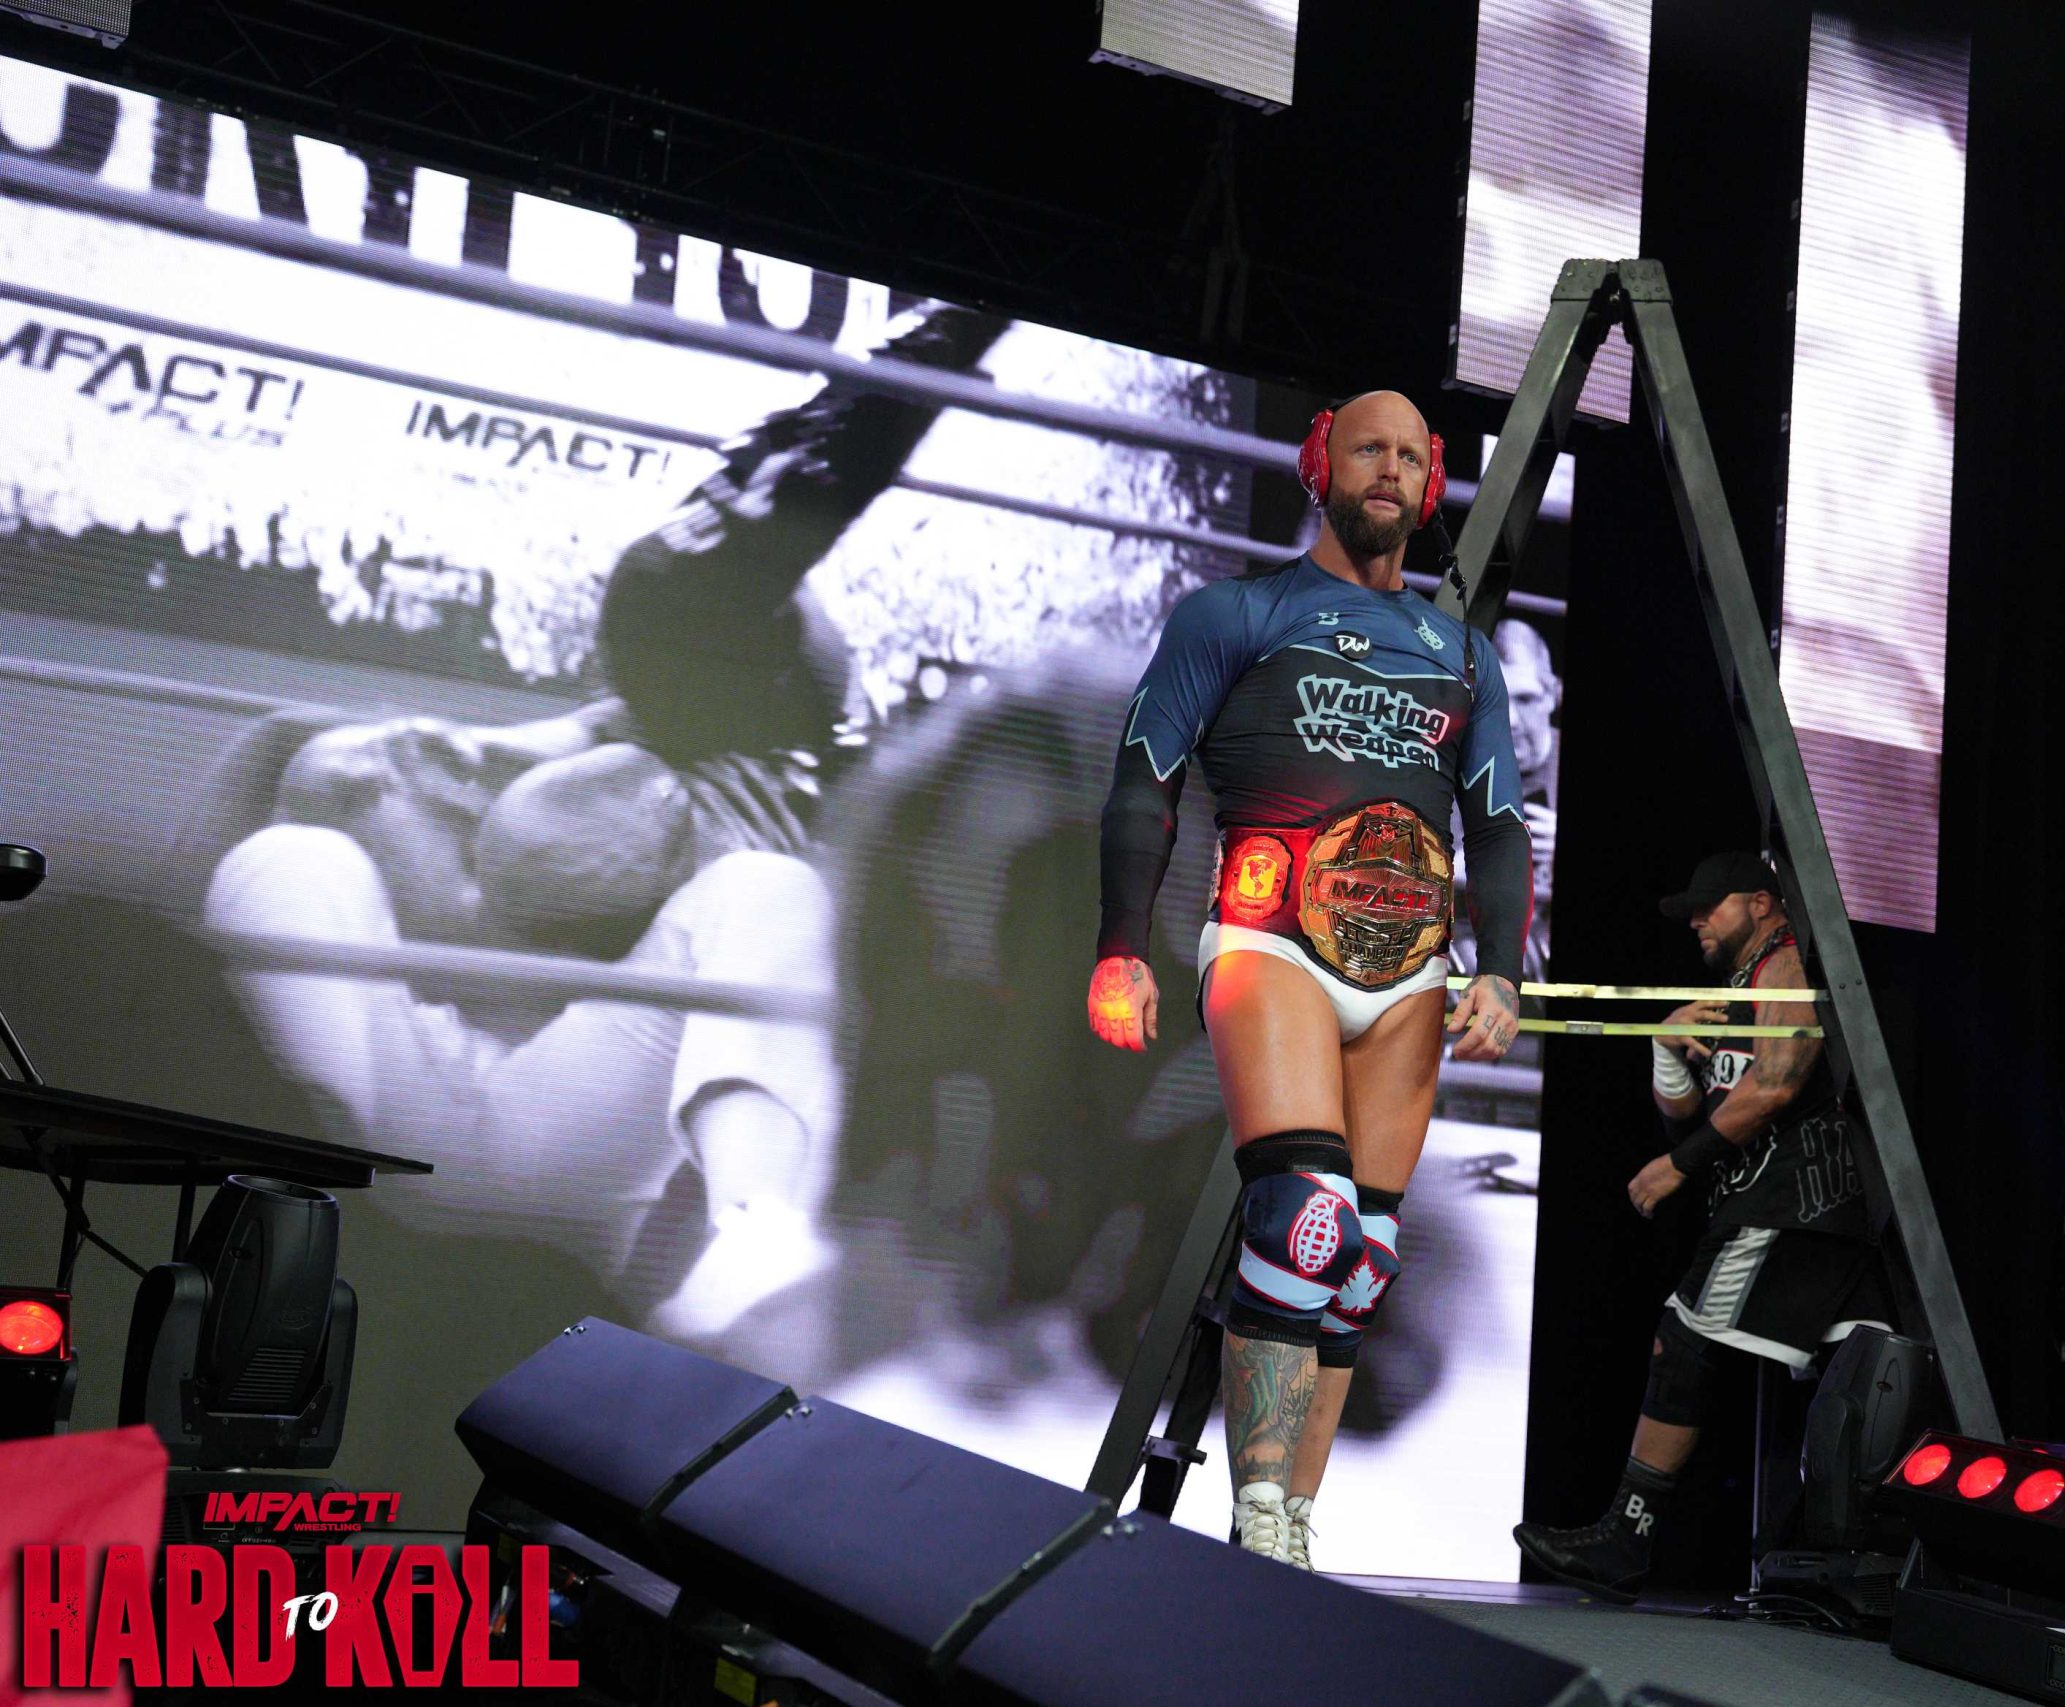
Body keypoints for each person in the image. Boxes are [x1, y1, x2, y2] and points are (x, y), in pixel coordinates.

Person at [197, 308, 1003, 1349]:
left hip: (581, 1136)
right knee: (286, 857)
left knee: (771, 890)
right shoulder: (391, 789)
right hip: (411, 1111)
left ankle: (759, 1247)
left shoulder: (748, 809)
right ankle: (304, 1204)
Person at [1086, 390, 1532, 1567]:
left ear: (1430, 484)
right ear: (1318, 463)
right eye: (1367, 448)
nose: (1388, 469)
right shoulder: (1234, 615)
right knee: (1304, 1223)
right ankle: (1253, 1513)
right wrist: (1121, 946)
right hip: (1272, 941)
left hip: (1411, 973)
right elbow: (1144, 779)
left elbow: (1497, 826)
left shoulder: (1461, 654)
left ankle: (1290, 1523)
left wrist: (1500, 972)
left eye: (1410, 456)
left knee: (1361, 1259)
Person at [1513, 852, 1888, 1601]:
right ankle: (1835, 1557)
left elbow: (1775, 1085)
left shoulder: (1785, 967)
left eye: (1709, 905)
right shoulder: (1735, 991)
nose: (1694, 921)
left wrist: (1677, 1167)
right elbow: (1692, 1113)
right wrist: (1665, 1045)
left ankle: (1627, 1538)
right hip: (1783, 1206)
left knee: (1684, 1342)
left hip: (1789, 1204)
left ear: (1762, 903)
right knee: (1842, 1376)